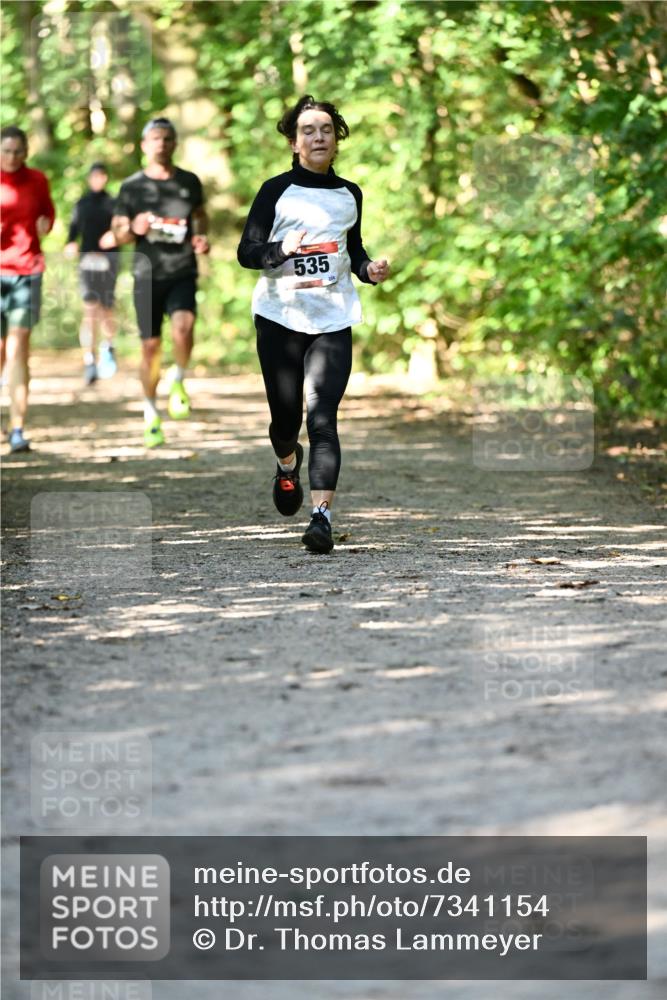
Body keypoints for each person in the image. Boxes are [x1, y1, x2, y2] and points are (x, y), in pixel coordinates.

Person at [237, 95, 389, 554]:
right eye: (308, 130)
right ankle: (287, 465)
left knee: (323, 417)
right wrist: (282, 249)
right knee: (286, 420)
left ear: (336, 139)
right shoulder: (274, 190)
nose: (318, 137)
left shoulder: (350, 194)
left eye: (326, 129)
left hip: (332, 318)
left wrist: (368, 271)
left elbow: (353, 251)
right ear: (294, 141)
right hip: (280, 318)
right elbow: (248, 253)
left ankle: (321, 518)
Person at [111, 117, 209, 448]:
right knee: (150, 347)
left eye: (167, 139)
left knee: (184, 328)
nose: (161, 144)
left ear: (175, 144)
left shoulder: (189, 182)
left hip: (182, 270)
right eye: (155, 139)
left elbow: (200, 215)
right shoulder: (132, 187)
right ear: (144, 145)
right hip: (147, 274)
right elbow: (117, 232)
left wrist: (201, 237)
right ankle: (150, 412)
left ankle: (178, 379)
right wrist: (133, 228)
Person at [0, 125, 55, 453]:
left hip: (28, 270)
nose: (13, 157)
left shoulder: (37, 179)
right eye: (7, 151)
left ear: (26, 151)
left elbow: (48, 212)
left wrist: (46, 225)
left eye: (19, 151)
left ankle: (18, 427)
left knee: (20, 347)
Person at [65, 162, 119, 385]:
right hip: (87, 261)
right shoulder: (82, 203)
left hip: (108, 262)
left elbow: (121, 229)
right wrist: (70, 244)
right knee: (89, 309)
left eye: (102, 175)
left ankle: (108, 349)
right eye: (94, 176)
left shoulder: (113, 203)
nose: (98, 179)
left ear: (106, 178)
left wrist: (114, 237)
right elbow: (73, 230)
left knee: (106, 310)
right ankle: (89, 359)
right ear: (89, 178)